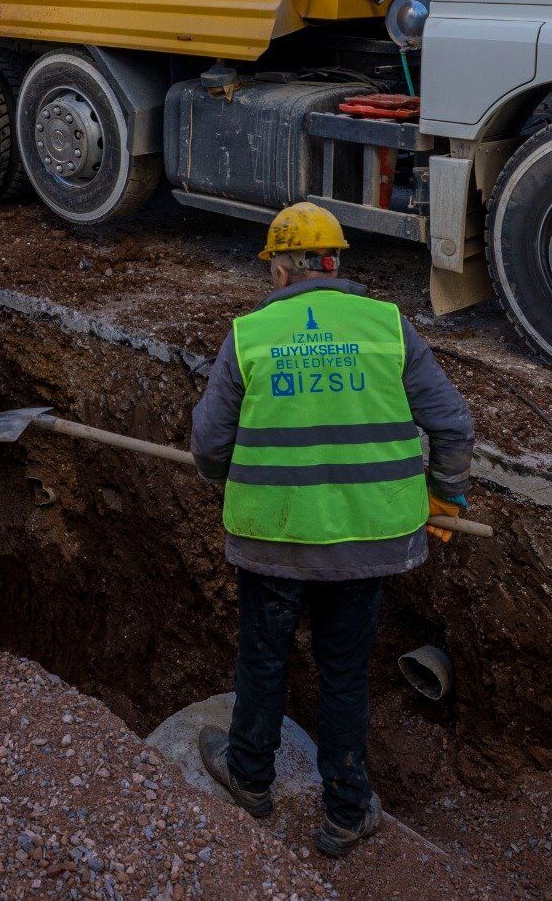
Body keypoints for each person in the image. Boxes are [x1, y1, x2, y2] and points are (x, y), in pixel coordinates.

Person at [189, 201, 475, 856]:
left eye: (273, 268)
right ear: (335, 260)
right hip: (366, 542)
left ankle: (250, 776)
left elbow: (208, 444)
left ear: (284, 268)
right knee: (344, 671)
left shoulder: (252, 334)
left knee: (264, 657)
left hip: (274, 538)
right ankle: (347, 810)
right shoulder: (386, 326)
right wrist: (447, 495)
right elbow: (453, 425)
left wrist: (227, 477)